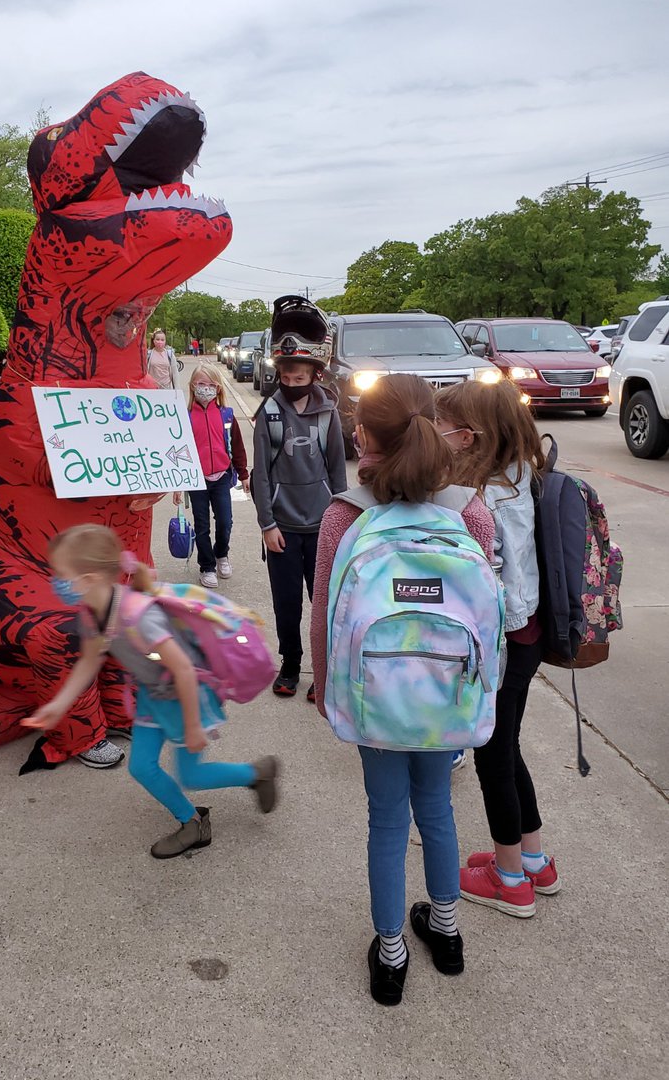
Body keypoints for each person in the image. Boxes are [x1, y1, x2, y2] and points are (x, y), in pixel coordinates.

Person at [310, 373, 495, 1006]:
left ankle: (390, 955)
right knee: (438, 808)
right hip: (447, 697)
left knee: (387, 819)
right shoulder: (469, 510)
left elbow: (323, 616)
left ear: (362, 435)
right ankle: (446, 933)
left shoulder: (345, 513)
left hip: (374, 697)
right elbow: (489, 613)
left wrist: (326, 692)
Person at [23, 524, 279, 859]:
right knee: (141, 767)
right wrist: (59, 704)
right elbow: (89, 661)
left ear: (90, 578)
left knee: (192, 775)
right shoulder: (92, 613)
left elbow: (184, 669)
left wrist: (191, 726)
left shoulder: (137, 616)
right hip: (153, 696)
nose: (56, 582)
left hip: (187, 697)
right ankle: (192, 822)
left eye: (62, 575)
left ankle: (258, 773)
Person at [435, 380, 558, 918]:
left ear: (468, 437)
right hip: (527, 637)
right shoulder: (522, 476)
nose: (437, 433)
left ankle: (509, 878)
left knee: (491, 756)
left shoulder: (488, 497)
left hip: (505, 640)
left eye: (444, 425)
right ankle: (533, 859)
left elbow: (494, 581)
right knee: (508, 748)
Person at [250, 296, 346, 700]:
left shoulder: (329, 414)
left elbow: (339, 471)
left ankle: (323, 671)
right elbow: (261, 475)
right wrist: (267, 525)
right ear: (279, 373)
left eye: (300, 376)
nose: (293, 384)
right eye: (286, 377)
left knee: (324, 604)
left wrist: (343, 520)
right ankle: (290, 664)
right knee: (287, 604)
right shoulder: (268, 415)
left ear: (316, 373)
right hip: (283, 531)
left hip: (323, 525)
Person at [183, 363, 249, 588]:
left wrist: (243, 474)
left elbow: (237, 446)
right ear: (193, 386)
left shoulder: (226, 415)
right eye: (201, 384)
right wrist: (177, 484)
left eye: (211, 384)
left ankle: (222, 554)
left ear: (218, 388)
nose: (206, 388)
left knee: (225, 521)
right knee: (201, 525)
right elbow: (177, 451)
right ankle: (207, 566)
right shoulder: (186, 416)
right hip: (197, 479)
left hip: (221, 476)